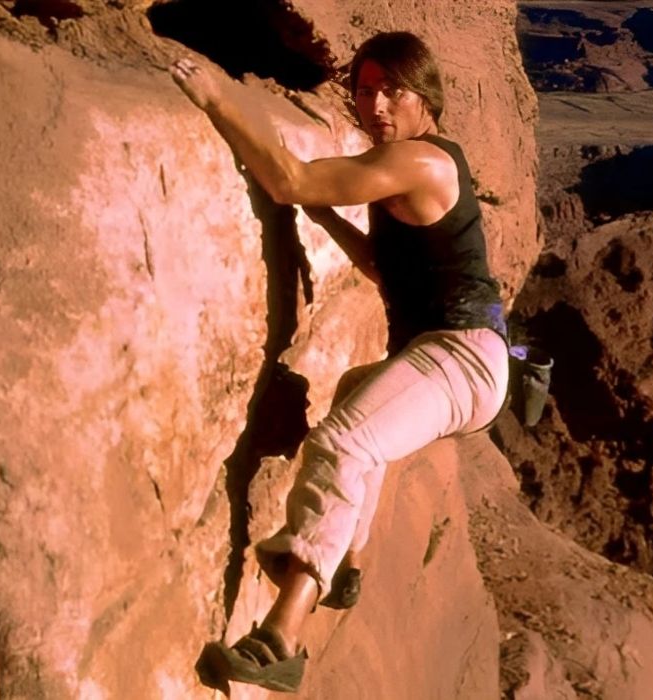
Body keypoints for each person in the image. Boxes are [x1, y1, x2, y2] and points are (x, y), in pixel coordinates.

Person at [171, 32, 510, 693]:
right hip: (451, 353)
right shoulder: (414, 162)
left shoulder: (422, 161)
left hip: (462, 356)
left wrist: (217, 99)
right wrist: (324, 219)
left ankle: (280, 641)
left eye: (393, 89)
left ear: (426, 96)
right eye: (363, 88)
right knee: (359, 398)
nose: (375, 104)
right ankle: (346, 564)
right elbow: (386, 267)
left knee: (343, 441)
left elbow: (288, 178)